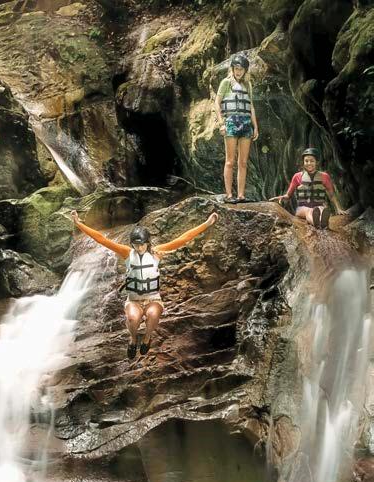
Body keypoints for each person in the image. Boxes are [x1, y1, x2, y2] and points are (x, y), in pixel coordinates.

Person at [70, 209, 219, 359]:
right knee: (132, 319)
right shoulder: (127, 253)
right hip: (134, 300)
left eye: (142, 245)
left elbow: (183, 239)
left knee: (153, 314)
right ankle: (133, 339)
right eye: (136, 245)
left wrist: (206, 224)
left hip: (153, 299)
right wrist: (78, 223)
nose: (139, 248)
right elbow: (101, 239)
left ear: (147, 243)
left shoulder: (157, 253)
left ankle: (147, 338)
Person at [214, 53, 259, 204]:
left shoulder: (248, 85)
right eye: (236, 68)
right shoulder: (226, 83)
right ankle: (229, 195)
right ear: (232, 69)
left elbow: (251, 106)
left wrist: (255, 126)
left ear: (245, 70)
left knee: (243, 162)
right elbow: (217, 103)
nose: (238, 71)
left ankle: (241, 195)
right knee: (230, 161)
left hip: (246, 123)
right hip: (231, 122)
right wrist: (221, 123)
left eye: (241, 69)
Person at [270, 148, 346, 228]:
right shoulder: (297, 176)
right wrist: (282, 197)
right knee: (309, 211)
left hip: (319, 205)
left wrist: (338, 209)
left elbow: (331, 195)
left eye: (312, 161)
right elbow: (288, 195)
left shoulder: (324, 176)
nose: (309, 163)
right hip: (302, 208)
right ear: (303, 162)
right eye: (306, 161)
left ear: (317, 162)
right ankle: (317, 223)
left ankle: (323, 222)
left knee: (321, 209)